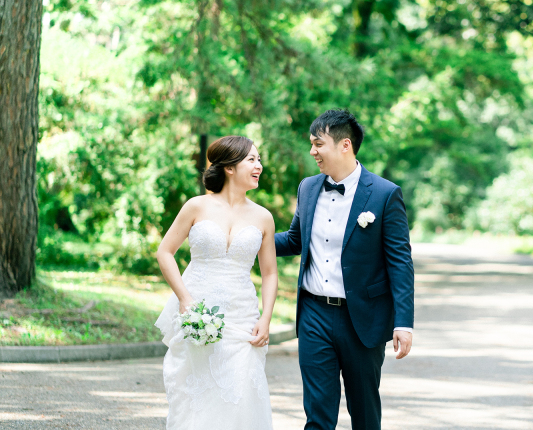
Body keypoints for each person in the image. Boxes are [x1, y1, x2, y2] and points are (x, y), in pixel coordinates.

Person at [275, 109, 415, 430]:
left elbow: (400, 263)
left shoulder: (384, 194)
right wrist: (247, 237)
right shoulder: (308, 188)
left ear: (344, 146)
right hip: (313, 314)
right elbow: (296, 239)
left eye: (318, 144)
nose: (312, 152)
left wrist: (403, 323)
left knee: (364, 412)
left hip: (362, 319)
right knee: (318, 413)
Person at [154, 135, 277, 430]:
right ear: (230, 168)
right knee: (195, 394)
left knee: (241, 395)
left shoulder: (263, 217)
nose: (259, 165)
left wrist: (266, 317)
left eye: (259, 160)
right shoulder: (196, 207)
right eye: (252, 160)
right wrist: (185, 299)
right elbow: (164, 252)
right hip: (198, 310)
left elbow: (270, 273)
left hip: (241, 316)